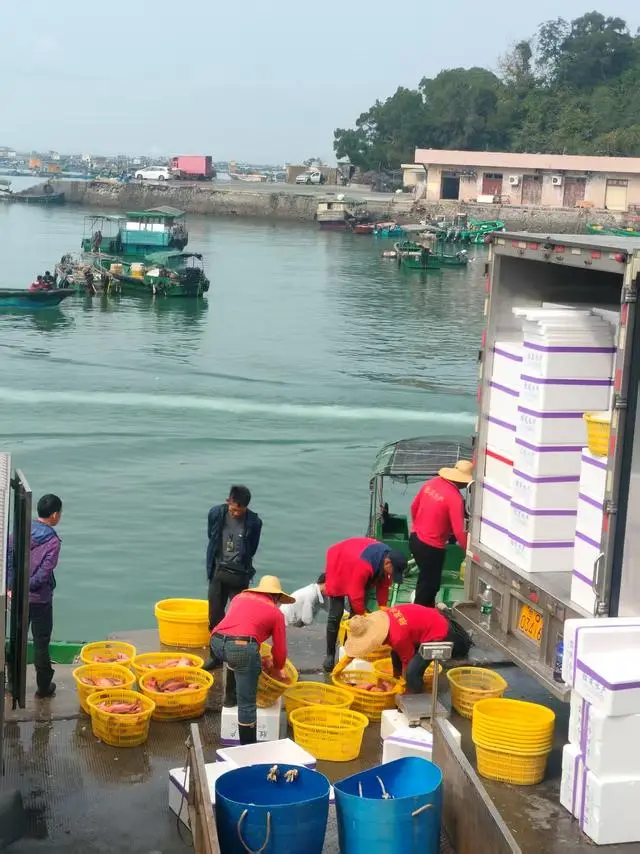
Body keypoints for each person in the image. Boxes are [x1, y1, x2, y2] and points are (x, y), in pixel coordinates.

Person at [209, 575, 294, 745]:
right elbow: (280, 650)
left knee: (236, 659)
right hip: (241, 648)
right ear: (276, 597)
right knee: (247, 704)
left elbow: (240, 625)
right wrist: (277, 668)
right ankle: (248, 749)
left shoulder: (240, 597)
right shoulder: (276, 613)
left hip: (216, 642)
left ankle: (230, 698)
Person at [343, 603, 472, 694]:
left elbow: (407, 661)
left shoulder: (398, 637)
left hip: (442, 634)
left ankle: (415, 697)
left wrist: (403, 686)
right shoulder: (387, 616)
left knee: (412, 673)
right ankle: (395, 681)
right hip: (431, 622)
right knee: (395, 654)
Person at [6, 494, 63, 699]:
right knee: (41, 643)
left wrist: (13, 586)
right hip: (40, 601)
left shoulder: (21, 530)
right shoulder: (53, 541)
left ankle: (12, 685)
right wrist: (27, 586)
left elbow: (9, 558)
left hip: (18, 597)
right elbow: (43, 574)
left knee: (15, 639)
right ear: (55, 515)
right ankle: (43, 687)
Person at [323, 536, 407, 673]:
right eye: (394, 572)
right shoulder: (364, 566)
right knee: (336, 613)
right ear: (387, 563)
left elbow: (384, 585)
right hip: (340, 561)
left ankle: (349, 648)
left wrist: (382, 606)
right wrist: (362, 614)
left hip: (357, 559)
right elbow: (356, 595)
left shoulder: (388, 560)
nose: (393, 576)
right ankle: (330, 655)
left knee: (356, 615)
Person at [410, 459, 473, 608]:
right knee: (430, 586)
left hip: (415, 539)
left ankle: (426, 608)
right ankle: (419, 615)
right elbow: (459, 530)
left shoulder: (432, 483)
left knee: (425, 579)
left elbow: (414, 507)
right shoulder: (455, 498)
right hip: (431, 548)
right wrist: (468, 551)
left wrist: (418, 527)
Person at [206, 485, 263, 632]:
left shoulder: (254, 522)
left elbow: (252, 548)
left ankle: (236, 643)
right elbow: (211, 537)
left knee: (241, 613)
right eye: (234, 509)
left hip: (240, 573)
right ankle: (216, 643)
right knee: (214, 614)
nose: (237, 513)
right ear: (228, 501)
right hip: (218, 570)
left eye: (241, 510)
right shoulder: (216, 513)